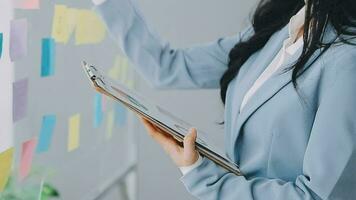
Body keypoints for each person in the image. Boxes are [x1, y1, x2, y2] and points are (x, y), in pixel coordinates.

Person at [93, 0, 356, 199]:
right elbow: (166, 67)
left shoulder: (347, 60)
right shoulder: (282, 26)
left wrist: (202, 175)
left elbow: (316, 195)